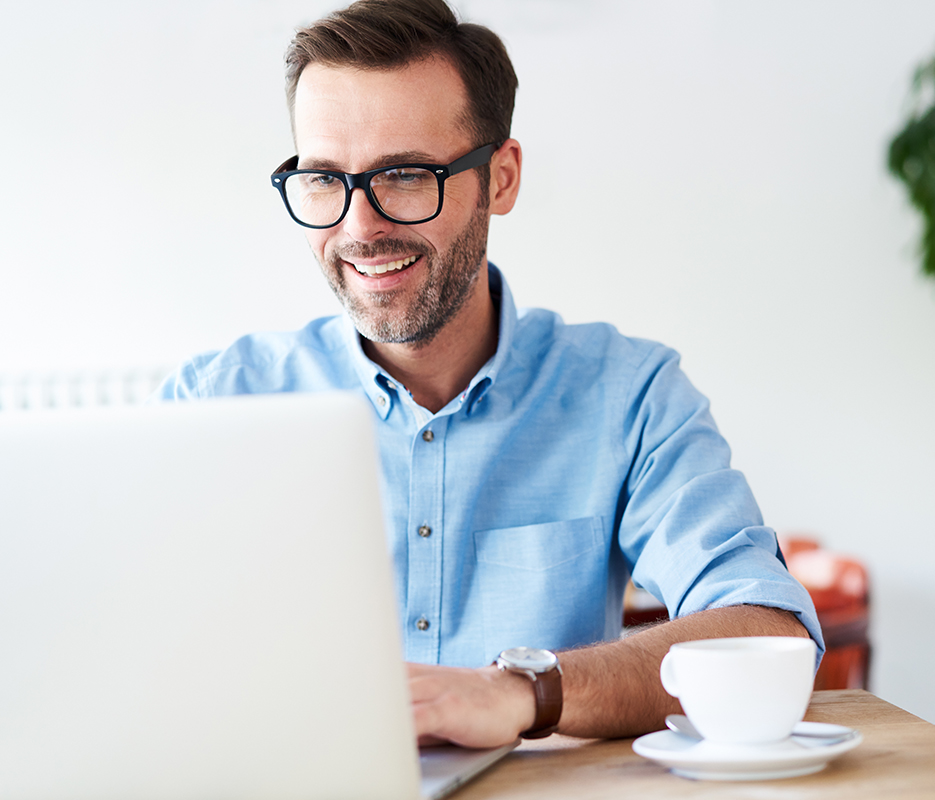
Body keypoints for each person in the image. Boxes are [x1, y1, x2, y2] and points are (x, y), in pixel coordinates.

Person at [155, 0, 822, 747]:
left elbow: (771, 632)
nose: (358, 227)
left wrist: (522, 692)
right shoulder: (215, 403)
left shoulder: (628, 395)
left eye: (404, 176)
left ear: (500, 179)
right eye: (322, 180)